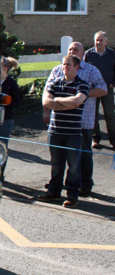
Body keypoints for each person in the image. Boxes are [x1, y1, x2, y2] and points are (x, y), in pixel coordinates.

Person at [44, 42, 106, 197]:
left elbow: (103, 89)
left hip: (82, 121)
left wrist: (82, 95)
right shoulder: (57, 70)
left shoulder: (91, 70)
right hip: (58, 121)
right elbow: (46, 94)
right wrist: (47, 111)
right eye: (70, 49)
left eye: (76, 49)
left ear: (83, 53)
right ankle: (56, 187)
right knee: (57, 160)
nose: (72, 51)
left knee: (81, 157)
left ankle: (85, 185)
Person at [39, 55, 89, 208]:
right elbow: (46, 102)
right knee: (56, 164)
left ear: (76, 67)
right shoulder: (55, 83)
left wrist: (57, 102)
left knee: (73, 166)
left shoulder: (82, 85)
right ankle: (54, 192)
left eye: (68, 65)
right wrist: (64, 103)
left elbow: (76, 101)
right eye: (64, 64)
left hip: (73, 133)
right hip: (55, 131)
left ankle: (72, 195)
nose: (65, 67)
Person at [84, 31, 115, 149]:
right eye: (97, 40)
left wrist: (113, 84)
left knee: (110, 114)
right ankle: (95, 138)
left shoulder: (112, 54)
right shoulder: (88, 54)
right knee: (93, 114)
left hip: (107, 88)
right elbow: (84, 70)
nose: (98, 42)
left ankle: (113, 140)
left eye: (101, 40)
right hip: (93, 89)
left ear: (106, 42)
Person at [0, 56, 21, 146]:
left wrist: (5, 100)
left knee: (2, 145)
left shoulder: (11, 83)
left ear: (5, 69)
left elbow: (17, 103)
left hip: (6, 118)